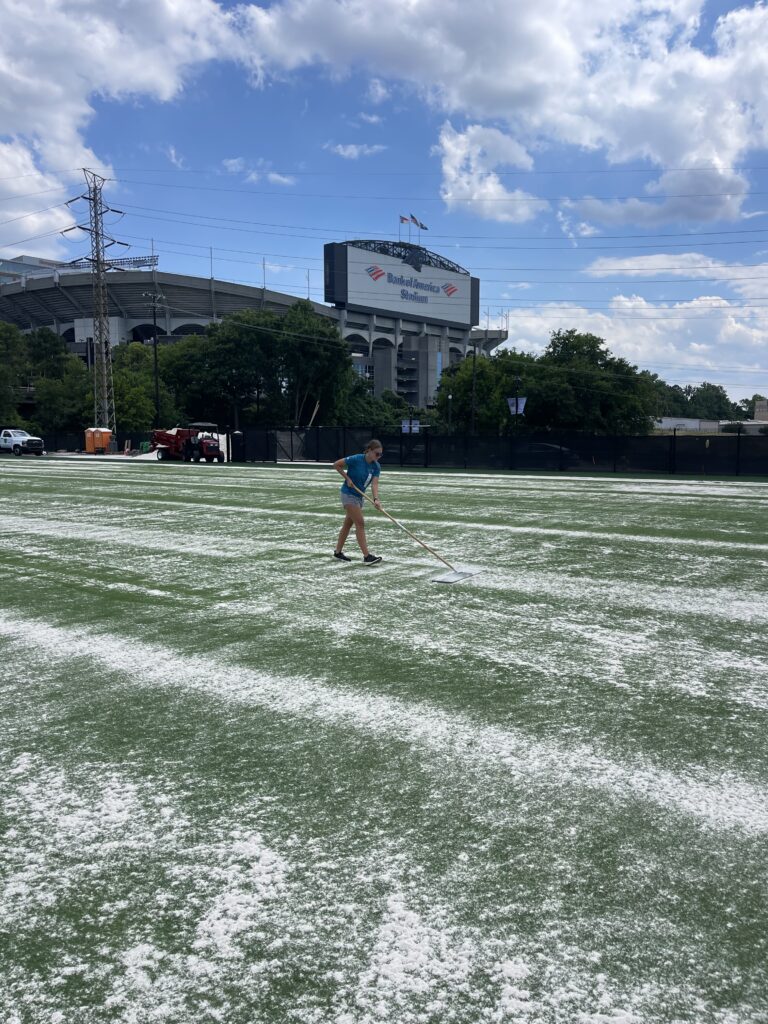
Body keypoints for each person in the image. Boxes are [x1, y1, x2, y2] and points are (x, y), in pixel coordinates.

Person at [333, 440, 384, 564]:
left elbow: (374, 484)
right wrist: (347, 478)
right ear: (369, 451)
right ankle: (367, 556)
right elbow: (336, 464)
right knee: (360, 523)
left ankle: (338, 552)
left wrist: (376, 499)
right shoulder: (356, 459)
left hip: (359, 497)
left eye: (380, 455)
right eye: (377, 454)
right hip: (348, 494)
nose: (378, 457)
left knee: (347, 524)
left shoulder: (376, 466)